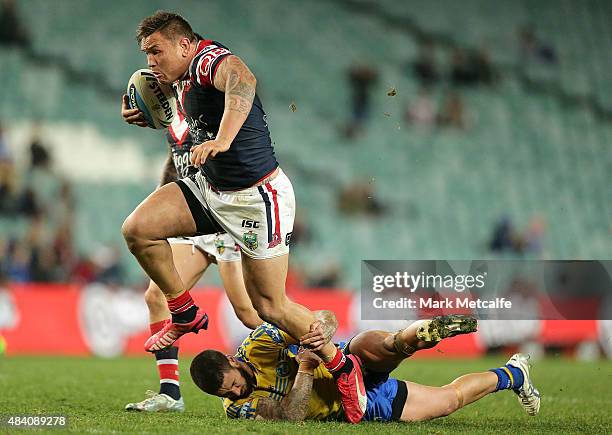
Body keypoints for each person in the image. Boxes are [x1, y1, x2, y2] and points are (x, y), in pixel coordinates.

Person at [120, 11, 366, 422]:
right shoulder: (177, 80)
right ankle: (183, 312)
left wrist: (223, 139)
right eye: (146, 53)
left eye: (156, 51)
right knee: (138, 230)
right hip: (210, 190)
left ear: (184, 45)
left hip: (256, 199)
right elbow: (181, 136)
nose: (150, 61)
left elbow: (243, 80)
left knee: (269, 308)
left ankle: (344, 367)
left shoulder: (208, 60)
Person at [125, 115, 262, 413]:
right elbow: (175, 165)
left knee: (250, 313)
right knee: (156, 296)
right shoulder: (175, 122)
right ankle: (170, 393)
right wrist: (159, 205)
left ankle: (309, 353)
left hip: (223, 220)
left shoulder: (206, 107)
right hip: (193, 224)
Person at [190, 314, 540, 422]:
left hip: (345, 364)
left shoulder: (260, 343)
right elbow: (292, 415)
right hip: (353, 405)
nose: (237, 392)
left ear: (234, 360)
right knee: (448, 400)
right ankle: (514, 374)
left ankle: (421, 332)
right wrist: (306, 367)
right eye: (227, 394)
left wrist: (319, 336)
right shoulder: (238, 409)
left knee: (391, 346)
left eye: (233, 384)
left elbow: (322, 318)